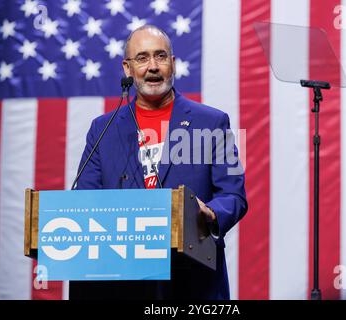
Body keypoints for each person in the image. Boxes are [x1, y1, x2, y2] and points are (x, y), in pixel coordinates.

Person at [69, 25, 247, 300]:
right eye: (142, 58)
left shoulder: (212, 123)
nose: (152, 66)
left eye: (160, 56)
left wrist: (210, 214)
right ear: (127, 69)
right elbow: (85, 199)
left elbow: (233, 195)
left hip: (191, 279)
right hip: (121, 280)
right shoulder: (103, 128)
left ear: (173, 64)